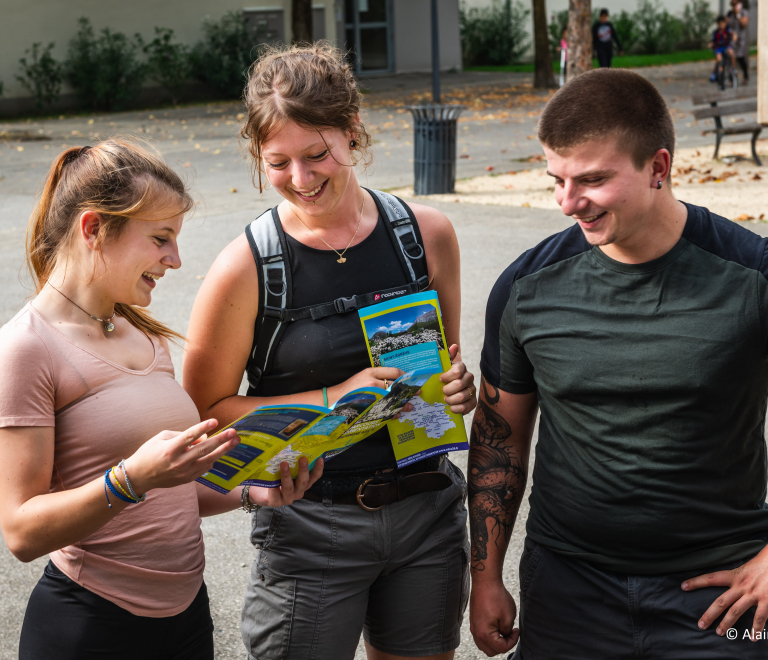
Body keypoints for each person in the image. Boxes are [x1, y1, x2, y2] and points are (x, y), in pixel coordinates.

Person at [182, 43, 477, 660]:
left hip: (426, 508)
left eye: (317, 154)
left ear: (353, 131)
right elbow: (203, 414)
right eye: (278, 162)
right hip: (309, 523)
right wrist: (334, 399)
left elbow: (442, 364)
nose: (300, 178)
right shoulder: (247, 266)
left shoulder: (427, 235)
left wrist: (456, 389)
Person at [469, 68, 768, 659]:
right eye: (556, 179)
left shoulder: (752, 276)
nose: (567, 203)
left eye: (593, 180)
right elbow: (498, 441)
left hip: (724, 595)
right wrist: (484, 577)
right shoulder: (526, 288)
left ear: (658, 168)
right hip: (568, 593)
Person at [0, 139, 321, 660]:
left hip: (186, 616)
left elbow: (169, 492)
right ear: (93, 229)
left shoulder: (142, 334)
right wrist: (132, 478)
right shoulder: (25, 348)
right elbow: (20, 531)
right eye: (160, 238)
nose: (175, 259)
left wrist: (251, 492)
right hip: (91, 623)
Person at [708, 15, 738, 83]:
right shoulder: (716, 32)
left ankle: (733, 68)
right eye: (719, 23)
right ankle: (714, 73)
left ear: (725, 23)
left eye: (722, 23)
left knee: (732, 53)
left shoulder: (727, 30)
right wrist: (711, 44)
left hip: (726, 46)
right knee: (719, 59)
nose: (721, 25)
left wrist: (734, 37)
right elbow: (713, 41)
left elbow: (733, 34)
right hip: (718, 47)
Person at [727, 0, 750, 84]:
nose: (733, 6)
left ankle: (746, 76)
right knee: (731, 58)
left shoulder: (744, 12)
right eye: (732, 4)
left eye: (735, 4)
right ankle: (732, 78)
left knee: (740, 58)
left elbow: (744, 24)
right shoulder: (730, 13)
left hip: (741, 40)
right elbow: (726, 25)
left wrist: (737, 13)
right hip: (732, 40)